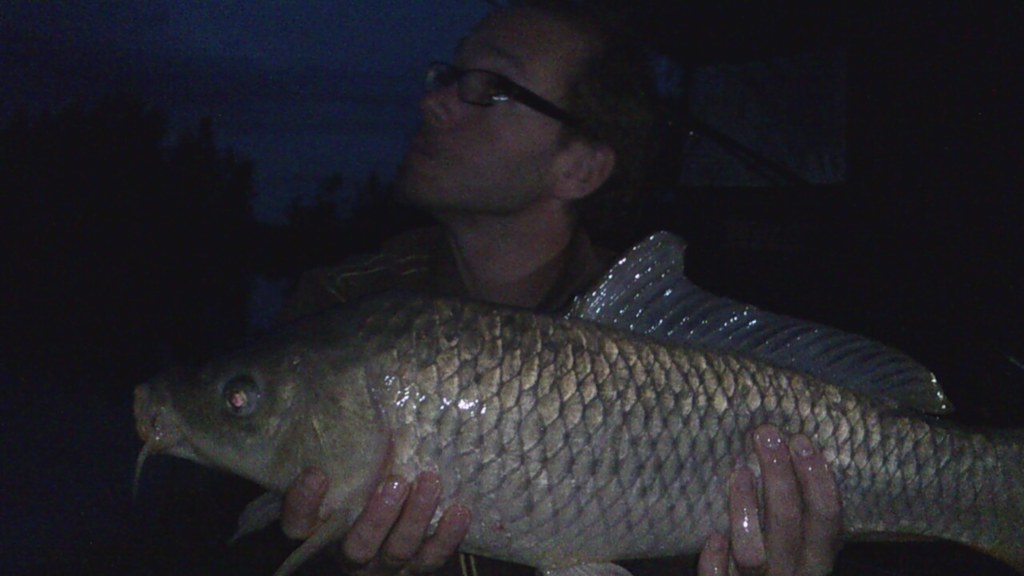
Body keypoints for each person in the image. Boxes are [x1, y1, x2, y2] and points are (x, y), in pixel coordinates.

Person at [276, 1, 842, 575]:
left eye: (490, 86)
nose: (434, 102)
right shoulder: (339, 310)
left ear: (580, 168)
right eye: (449, 76)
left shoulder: (663, 335)